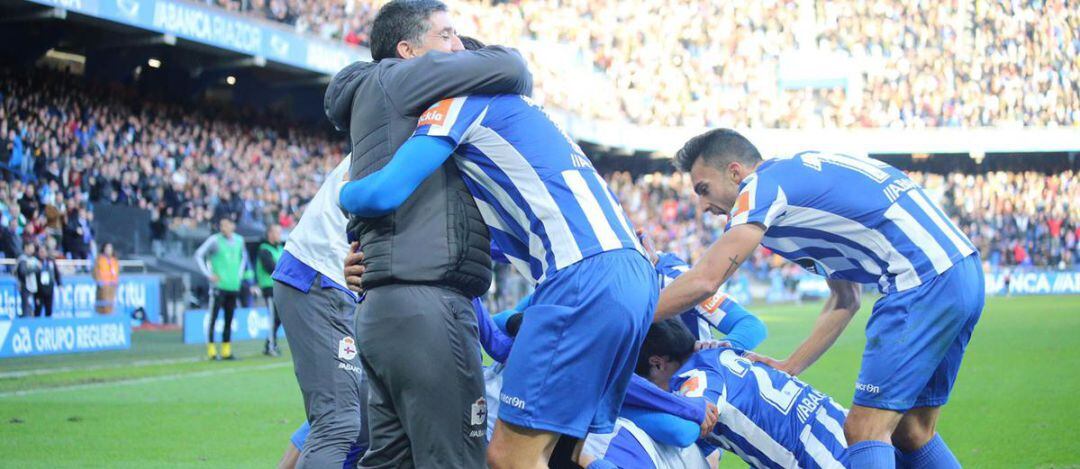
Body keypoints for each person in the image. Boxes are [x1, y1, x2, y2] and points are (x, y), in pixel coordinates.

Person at [339, 80, 657, 469]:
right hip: (629, 273)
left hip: (582, 275)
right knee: (563, 455)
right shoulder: (526, 124)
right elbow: (472, 244)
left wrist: (343, 194)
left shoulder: (462, 101)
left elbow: (380, 194)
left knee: (509, 458)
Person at [655, 129, 983, 468]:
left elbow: (707, 279)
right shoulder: (799, 191)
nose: (703, 205)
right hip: (962, 271)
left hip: (920, 278)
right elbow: (846, 298)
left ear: (735, 172)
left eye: (703, 189)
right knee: (913, 432)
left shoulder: (761, 187)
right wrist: (791, 365)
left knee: (864, 430)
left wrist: (632, 321)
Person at [324, 1, 533, 466]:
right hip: (427, 310)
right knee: (455, 458)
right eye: (446, 36)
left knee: (391, 461)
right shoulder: (397, 78)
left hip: (384, 308)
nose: (456, 47)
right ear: (408, 50)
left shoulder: (389, 108)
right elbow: (513, 66)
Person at [582, 319, 849, 469]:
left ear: (657, 363)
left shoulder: (692, 377)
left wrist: (614, 405)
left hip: (820, 455)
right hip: (841, 423)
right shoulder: (719, 352)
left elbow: (683, 431)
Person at [272, 155, 365, 468]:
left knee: (359, 411)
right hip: (321, 276)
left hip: (336, 283)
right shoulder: (404, 131)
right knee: (338, 420)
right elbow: (358, 196)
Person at [194, 217, 249, 361]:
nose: (223, 228)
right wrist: (208, 274)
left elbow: (243, 258)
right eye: (221, 225)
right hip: (218, 286)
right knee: (213, 318)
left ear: (233, 226)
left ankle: (226, 350)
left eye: (226, 225)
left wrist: (239, 275)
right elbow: (198, 255)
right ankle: (211, 351)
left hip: (233, 285)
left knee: (229, 319)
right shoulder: (214, 240)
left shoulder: (239, 240)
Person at [256, 224, 284, 357]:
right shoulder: (264, 250)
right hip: (269, 288)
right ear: (270, 234)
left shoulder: (280, 248)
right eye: (277, 232)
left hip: (279, 287)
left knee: (278, 318)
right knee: (274, 317)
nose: (280, 235)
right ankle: (271, 346)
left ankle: (269, 343)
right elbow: (271, 268)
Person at [92, 242, 119, 314]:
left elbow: (116, 273)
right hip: (103, 287)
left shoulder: (114, 260)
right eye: (107, 248)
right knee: (103, 306)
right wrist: (99, 281)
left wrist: (115, 282)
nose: (109, 250)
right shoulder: (99, 260)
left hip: (112, 287)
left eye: (110, 248)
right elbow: (95, 272)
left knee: (111, 305)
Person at [35, 245, 61, 317]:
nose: (42, 253)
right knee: (38, 310)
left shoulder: (51, 261)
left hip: (49, 289)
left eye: (43, 251)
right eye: (40, 252)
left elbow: (56, 273)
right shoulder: (35, 261)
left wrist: (59, 283)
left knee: (49, 310)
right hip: (39, 290)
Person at [15, 242, 40, 318]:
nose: (32, 249)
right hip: (25, 286)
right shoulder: (22, 259)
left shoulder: (33, 259)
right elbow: (23, 272)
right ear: (26, 247)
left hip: (32, 286)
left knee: (31, 307)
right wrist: (35, 269)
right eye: (31, 247)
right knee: (26, 307)